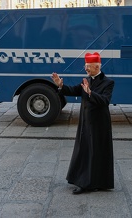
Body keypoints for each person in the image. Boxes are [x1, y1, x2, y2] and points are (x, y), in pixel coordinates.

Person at [51, 52, 115, 194]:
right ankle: (84, 180)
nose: (85, 68)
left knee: (96, 152)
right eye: (85, 66)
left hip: (99, 124)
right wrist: (61, 86)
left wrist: (91, 93)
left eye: (88, 66)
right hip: (86, 122)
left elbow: (105, 101)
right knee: (85, 151)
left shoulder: (108, 82)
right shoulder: (87, 79)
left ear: (97, 66)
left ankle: (91, 183)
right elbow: (74, 90)